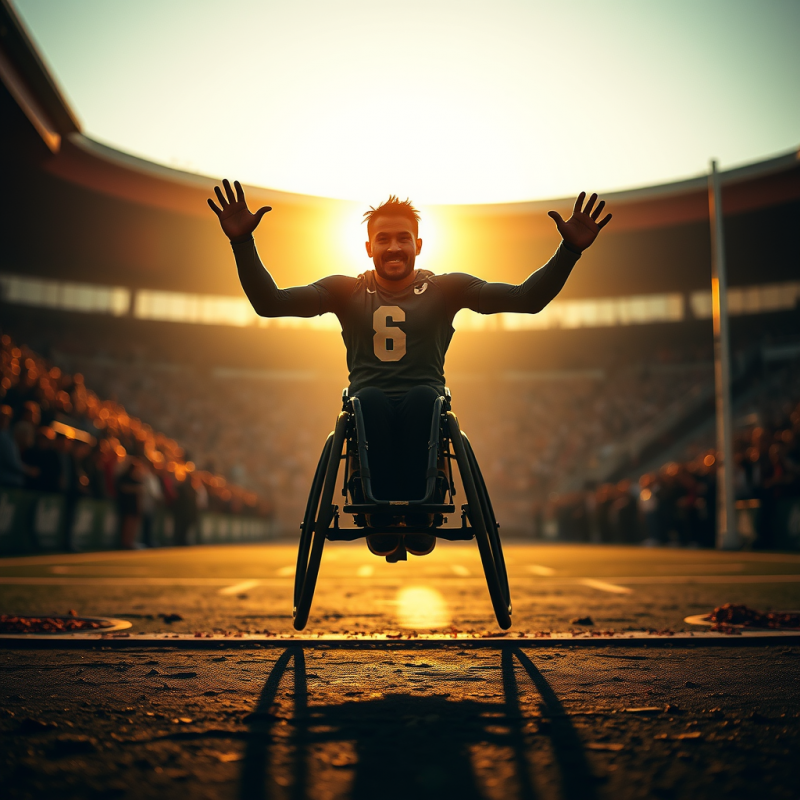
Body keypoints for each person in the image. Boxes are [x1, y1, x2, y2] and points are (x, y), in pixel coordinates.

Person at [208, 180, 611, 558]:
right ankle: (374, 508)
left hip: (427, 401)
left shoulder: (446, 287)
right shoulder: (345, 290)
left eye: (403, 238)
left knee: (423, 399)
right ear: (369, 247)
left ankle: (424, 508)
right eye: (383, 238)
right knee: (369, 401)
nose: (394, 247)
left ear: (418, 244)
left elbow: (527, 299)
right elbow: (271, 303)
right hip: (365, 405)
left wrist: (569, 251)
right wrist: (242, 242)